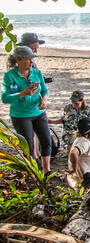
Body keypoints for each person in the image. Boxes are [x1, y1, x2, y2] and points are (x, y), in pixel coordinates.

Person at [1, 46, 51, 174]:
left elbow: (45, 91)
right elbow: (5, 98)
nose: (31, 62)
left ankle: (46, 171)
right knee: (28, 146)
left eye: (32, 59)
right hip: (21, 115)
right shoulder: (10, 76)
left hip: (38, 111)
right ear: (19, 59)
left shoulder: (36, 73)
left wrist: (44, 100)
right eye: (28, 59)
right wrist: (23, 93)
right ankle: (33, 172)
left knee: (46, 141)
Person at [66, 117, 90, 190]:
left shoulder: (78, 139)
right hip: (83, 180)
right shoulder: (84, 143)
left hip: (76, 179)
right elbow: (74, 153)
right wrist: (74, 168)